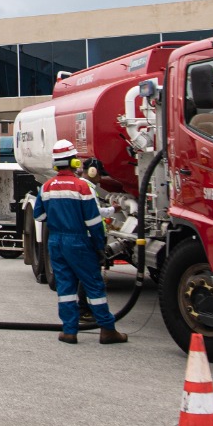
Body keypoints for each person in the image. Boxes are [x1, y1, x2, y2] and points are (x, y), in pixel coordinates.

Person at [35, 139, 127, 345]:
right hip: (78, 241)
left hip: (56, 242)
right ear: (74, 163)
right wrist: (99, 246)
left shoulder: (46, 187)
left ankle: (69, 331)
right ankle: (107, 329)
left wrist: (58, 217)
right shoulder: (82, 187)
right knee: (93, 285)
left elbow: (39, 217)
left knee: (65, 287)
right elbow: (94, 222)